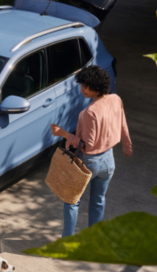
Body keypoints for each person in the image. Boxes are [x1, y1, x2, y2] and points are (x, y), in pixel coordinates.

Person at [50, 66, 133, 237]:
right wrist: (127, 145)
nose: (82, 90)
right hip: (109, 161)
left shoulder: (89, 113)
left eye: (85, 86)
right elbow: (122, 123)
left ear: (95, 86)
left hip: (89, 163)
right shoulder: (116, 99)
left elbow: (87, 145)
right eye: (81, 85)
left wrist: (63, 133)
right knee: (98, 201)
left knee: (71, 202)